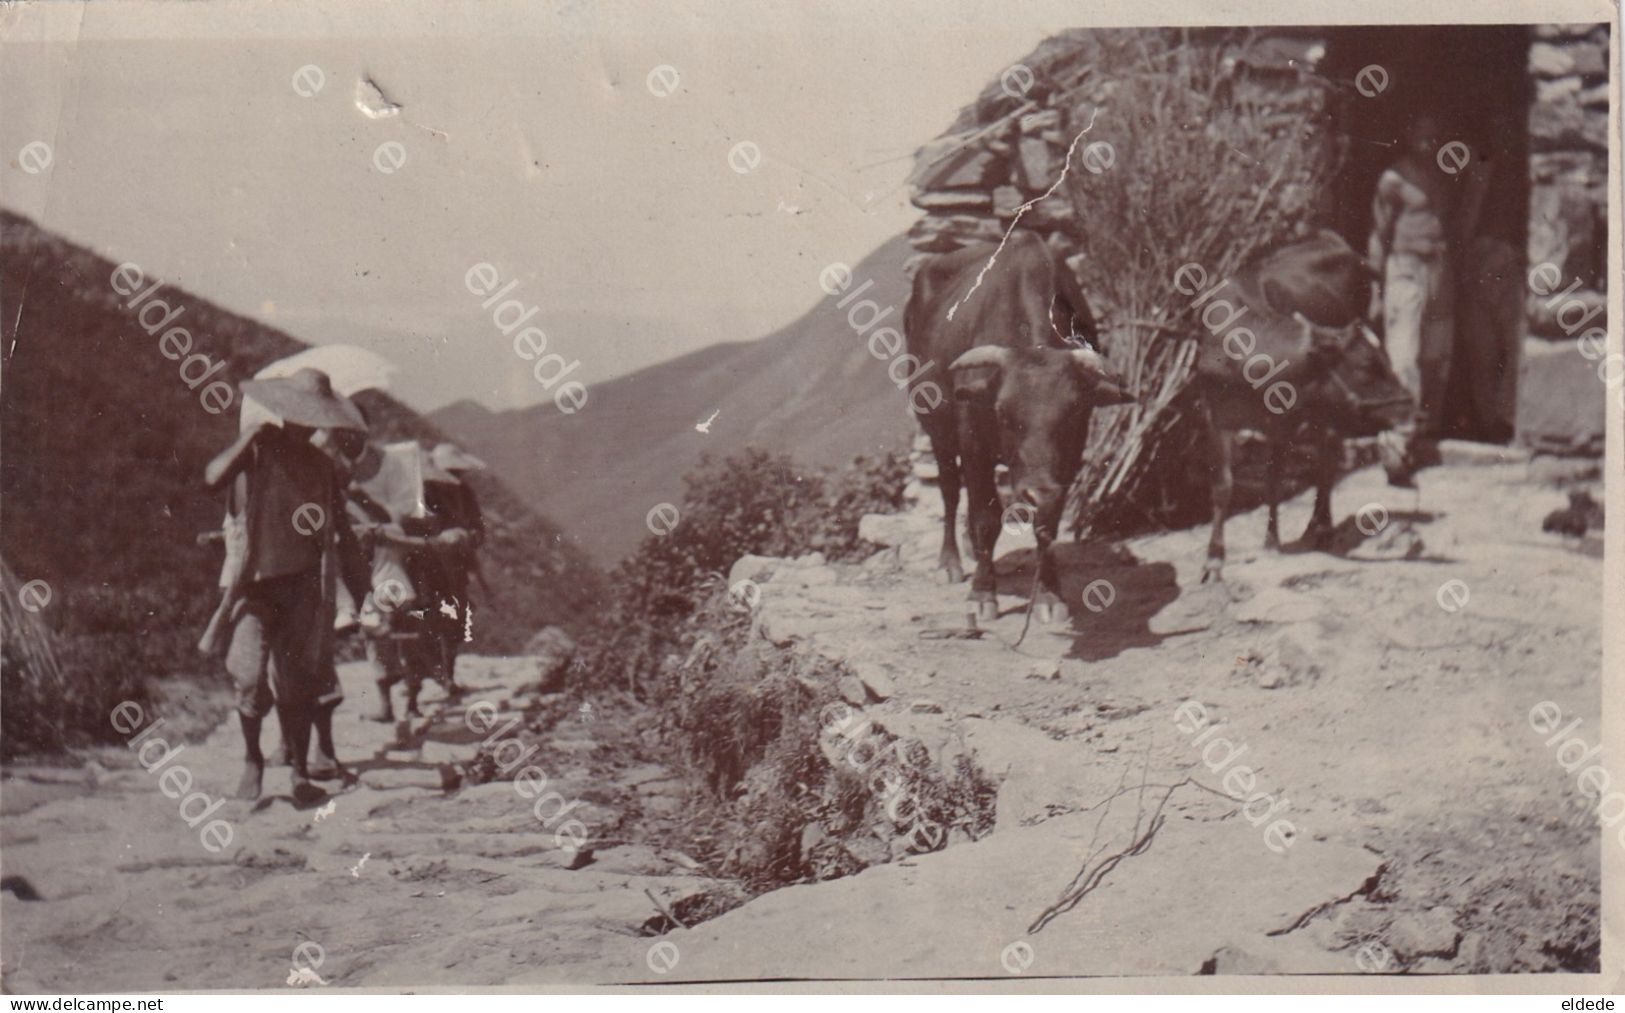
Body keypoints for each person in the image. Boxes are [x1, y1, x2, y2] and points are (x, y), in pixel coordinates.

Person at [202, 368, 369, 805]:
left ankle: (297, 770)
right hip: (254, 587)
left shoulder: (321, 466)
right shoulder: (259, 452)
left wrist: (360, 590)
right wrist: (249, 437)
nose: (307, 425)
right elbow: (213, 478)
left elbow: (343, 532)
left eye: (314, 419)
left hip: (303, 586)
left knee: (298, 683)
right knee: (250, 676)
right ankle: (253, 759)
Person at [1367, 112, 1465, 485]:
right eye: (1422, 137)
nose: (1429, 144)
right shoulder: (1393, 180)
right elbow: (1378, 234)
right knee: (1403, 356)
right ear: (1408, 136)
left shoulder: (1444, 177)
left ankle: (1424, 436)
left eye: (1434, 137)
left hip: (1440, 270)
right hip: (1405, 268)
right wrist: (1376, 288)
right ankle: (1396, 442)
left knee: (1437, 355)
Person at [423, 443, 488, 694]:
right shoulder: (424, 493)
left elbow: (479, 529)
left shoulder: (465, 494)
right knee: (427, 618)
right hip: (428, 565)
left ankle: (447, 675)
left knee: (454, 620)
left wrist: (470, 536)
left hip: (456, 567)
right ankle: (429, 672)